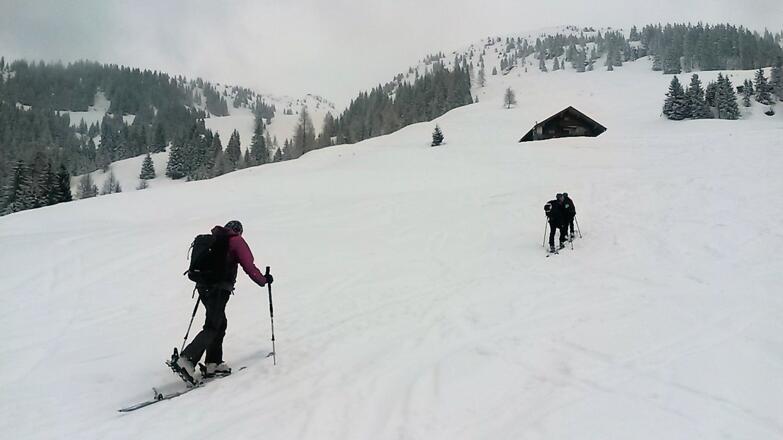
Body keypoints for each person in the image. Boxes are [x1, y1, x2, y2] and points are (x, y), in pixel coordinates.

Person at [172, 220, 272, 384]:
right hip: (218, 288)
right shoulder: (236, 240)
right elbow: (248, 265)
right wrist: (264, 280)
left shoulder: (214, 239)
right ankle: (187, 360)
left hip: (203, 286)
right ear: (239, 231)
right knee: (213, 325)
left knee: (219, 323)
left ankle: (213, 363)